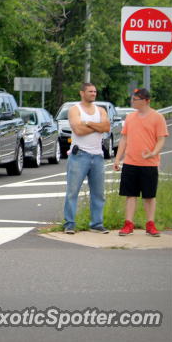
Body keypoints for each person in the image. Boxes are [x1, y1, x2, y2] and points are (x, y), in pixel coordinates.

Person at [113, 88, 168, 237]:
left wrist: (153, 153)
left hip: (149, 164)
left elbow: (161, 139)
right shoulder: (130, 117)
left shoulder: (157, 117)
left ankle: (150, 224)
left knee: (149, 196)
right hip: (130, 162)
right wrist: (118, 158)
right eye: (132, 99)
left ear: (146, 101)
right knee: (130, 195)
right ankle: (128, 224)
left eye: (135, 99)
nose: (132, 102)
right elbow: (124, 138)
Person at [63, 83, 111, 234]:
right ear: (82, 93)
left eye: (95, 91)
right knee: (72, 192)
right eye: (90, 91)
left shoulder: (101, 110)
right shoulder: (74, 109)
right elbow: (78, 130)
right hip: (79, 155)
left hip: (97, 156)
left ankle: (96, 223)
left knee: (98, 193)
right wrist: (97, 126)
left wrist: (88, 123)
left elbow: (106, 127)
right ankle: (69, 224)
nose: (93, 93)